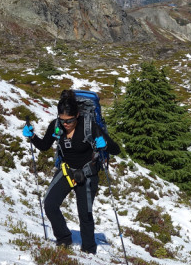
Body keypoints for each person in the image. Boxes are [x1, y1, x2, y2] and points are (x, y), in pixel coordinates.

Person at [23, 89, 120, 254]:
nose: (65, 124)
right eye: (62, 120)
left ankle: (89, 250)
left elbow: (116, 149)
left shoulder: (90, 126)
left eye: (69, 120)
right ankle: (64, 239)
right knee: (50, 205)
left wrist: (104, 144)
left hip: (87, 174)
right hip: (67, 171)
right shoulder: (56, 125)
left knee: (85, 214)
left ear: (78, 115)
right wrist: (32, 137)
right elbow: (45, 145)